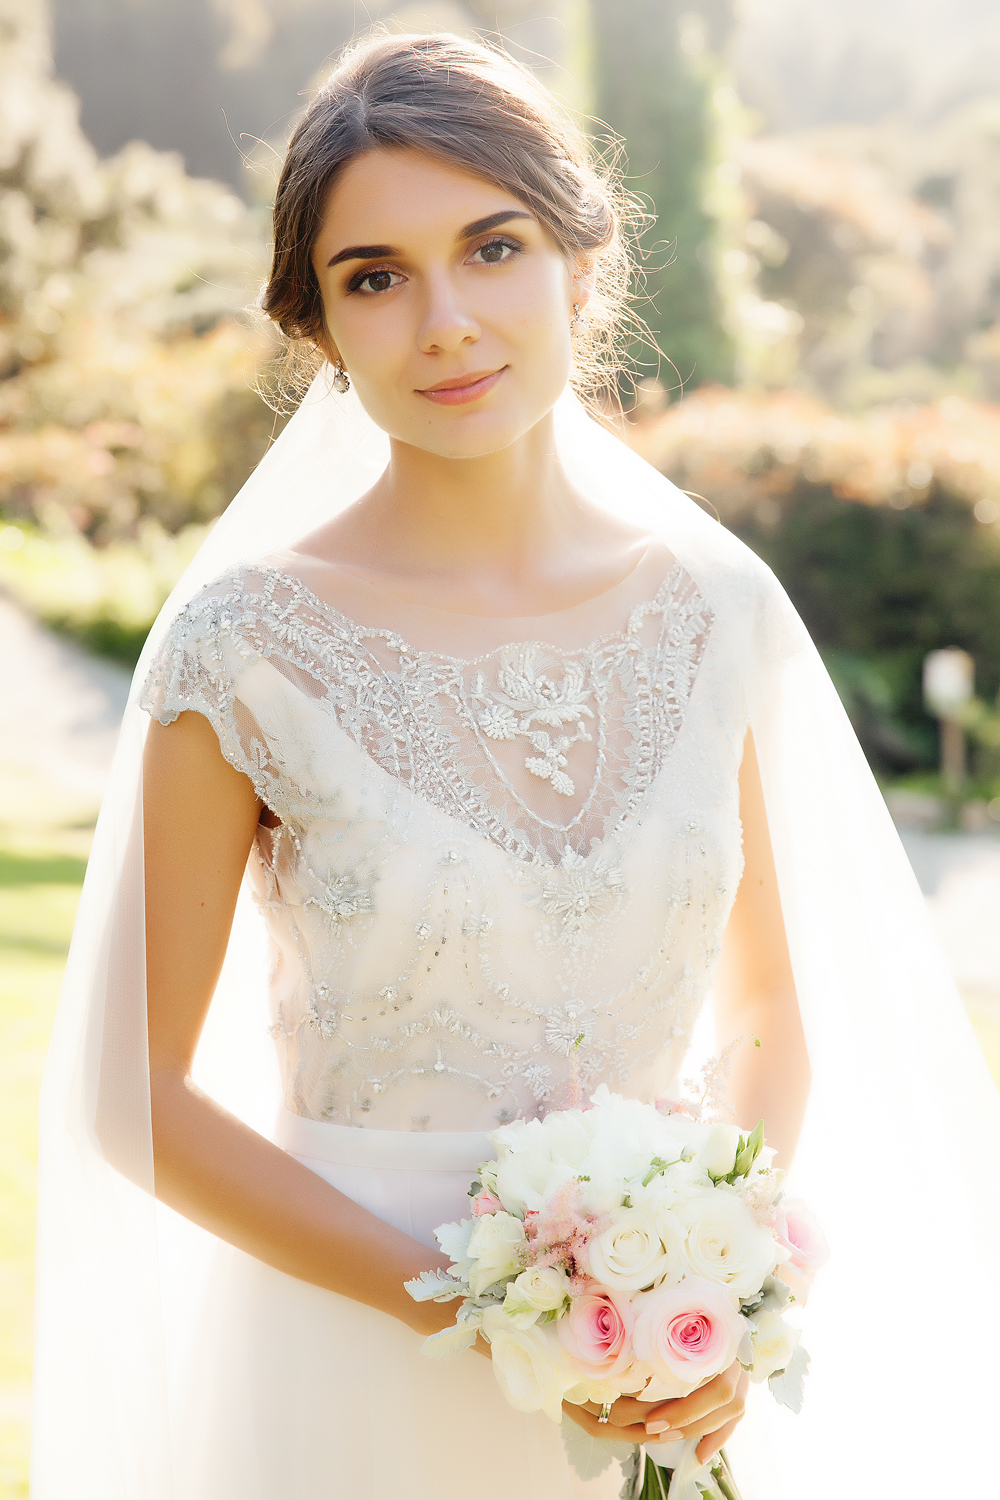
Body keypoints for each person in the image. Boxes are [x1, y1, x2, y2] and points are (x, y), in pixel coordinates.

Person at [31, 31, 1000, 1500]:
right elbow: (135, 1101)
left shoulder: (713, 611)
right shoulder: (241, 650)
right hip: (345, 1364)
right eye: (375, 277)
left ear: (580, 268)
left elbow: (770, 1004)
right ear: (320, 333)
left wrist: (708, 1292)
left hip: (664, 1372)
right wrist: (485, 1313)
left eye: (493, 248)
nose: (446, 324)